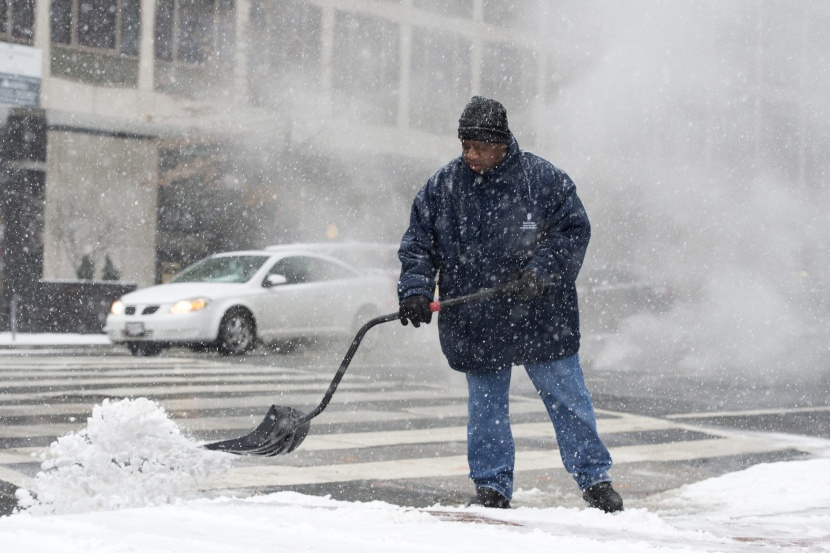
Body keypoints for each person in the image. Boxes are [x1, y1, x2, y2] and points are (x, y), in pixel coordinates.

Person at [396, 96, 623, 513]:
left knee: (568, 400)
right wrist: (415, 289)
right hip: (477, 320)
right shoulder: (444, 186)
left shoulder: (543, 180)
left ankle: (595, 480)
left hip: (540, 315)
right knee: (486, 409)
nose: (470, 155)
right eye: (465, 145)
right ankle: (492, 486)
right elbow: (418, 244)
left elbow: (572, 231)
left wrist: (541, 271)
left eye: (479, 146)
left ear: (502, 142)